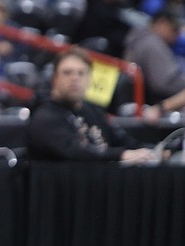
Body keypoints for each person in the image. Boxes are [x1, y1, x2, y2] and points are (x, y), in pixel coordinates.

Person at [26, 49, 163, 163]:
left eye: (81, 73)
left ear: (89, 79)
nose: (75, 78)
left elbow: (123, 140)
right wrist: (121, 155)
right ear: (54, 79)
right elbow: (74, 152)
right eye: (67, 73)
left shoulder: (93, 110)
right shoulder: (44, 117)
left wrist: (155, 150)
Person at [123, 8, 185, 118]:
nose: (176, 36)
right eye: (174, 30)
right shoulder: (152, 44)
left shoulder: (141, 38)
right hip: (155, 107)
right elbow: (164, 84)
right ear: (162, 22)